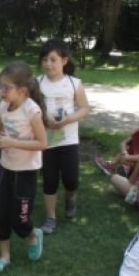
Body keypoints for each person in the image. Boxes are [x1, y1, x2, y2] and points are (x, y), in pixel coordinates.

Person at [0, 62, 48, 273]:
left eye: (6, 87)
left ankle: (32, 234)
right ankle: (4, 257)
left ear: (22, 90)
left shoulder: (32, 111)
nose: (1, 91)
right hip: (6, 168)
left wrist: (11, 143)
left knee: (19, 220)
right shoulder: (3, 107)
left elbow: (42, 143)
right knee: (0, 215)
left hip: (26, 173)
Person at [37, 38, 90, 234]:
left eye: (53, 60)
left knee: (71, 180)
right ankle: (51, 218)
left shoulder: (74, 83)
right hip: (46, 140)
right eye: (45, 60)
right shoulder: (38, 83)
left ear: (64, 61)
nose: (48, 64)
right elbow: (32, 107)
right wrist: (44, 116)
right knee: (49, 180)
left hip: (68, 139)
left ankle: (70, 198)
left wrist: (69, 119)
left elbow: (84, 109)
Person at [95, 109, 139, 177]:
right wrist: (124, 154)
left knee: (131, 156)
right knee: (126, 148)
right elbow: (123, 143)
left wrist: (127, 157)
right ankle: (113, 166)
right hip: (130, 159)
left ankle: (124, 169)